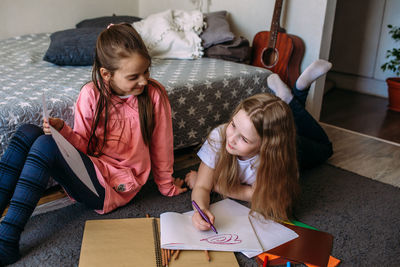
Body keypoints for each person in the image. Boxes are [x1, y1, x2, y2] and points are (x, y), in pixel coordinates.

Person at [0, 23, 186, 265]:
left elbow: (162, 144)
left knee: (46, 146)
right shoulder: (91, 94)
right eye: (134, 76)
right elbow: (84, 147)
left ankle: (6, 240)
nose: (143, 81)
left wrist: (166, 185)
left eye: (146, 71)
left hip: (117, 184)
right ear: (106, 74)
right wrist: (63, 131)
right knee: (28, 132)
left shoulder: (154, 95)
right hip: (92, 167)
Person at [185, 60, 333, 231]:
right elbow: (202, 187)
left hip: (299, 148)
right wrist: (200, 209)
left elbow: (269, 200)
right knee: (288, 122)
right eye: (233, 124)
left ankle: (295, 96)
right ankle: (290, 99)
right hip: (275, 132)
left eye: (244, 139)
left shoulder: (277, 159)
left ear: (266, 147)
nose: (231, 139)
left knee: (325, 148)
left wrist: (216, 186)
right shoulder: (220, 136)